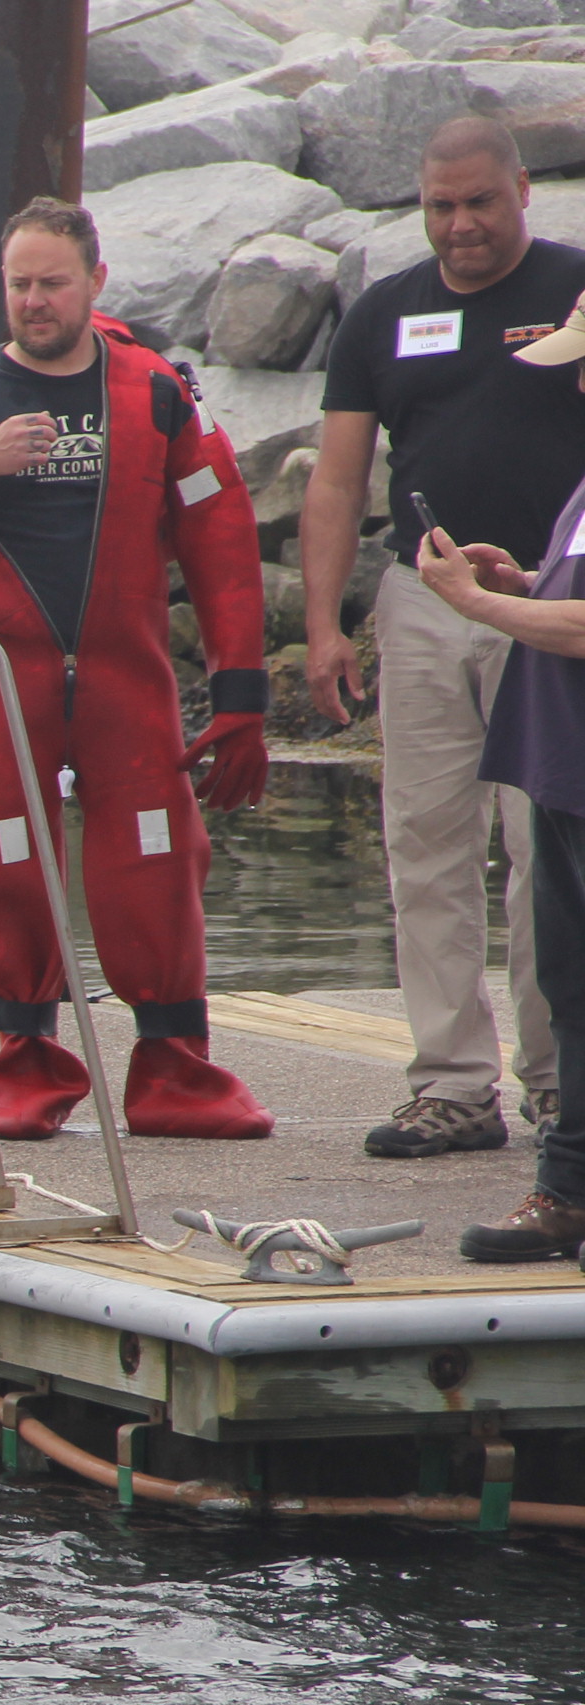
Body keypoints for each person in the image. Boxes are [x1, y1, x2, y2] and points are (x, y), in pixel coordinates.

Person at [0, 196, 276, 1141]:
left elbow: (219, 535)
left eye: (52, 283)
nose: (34, 301)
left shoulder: (158, 392)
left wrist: (241, 698)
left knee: (155, 862)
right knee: (0, 860)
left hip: (122, 680)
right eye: (18, 284)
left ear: (95, 281)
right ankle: (24, 1062)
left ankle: (175, 1071)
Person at [307, 116, 585, 1160]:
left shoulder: (575, 293)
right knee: (424, 843)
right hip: (423, 597)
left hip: (548, 599)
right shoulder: (384, 313)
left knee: (543, 849)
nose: (461, 225)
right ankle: (453, 1086)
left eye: (480, 202)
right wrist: (324, 625)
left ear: (524, 190)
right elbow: (338, 481)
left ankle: (559, 1084)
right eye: (440, 207)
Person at [400, 290, 585, 1261]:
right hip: (561, 770)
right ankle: (569, 1189)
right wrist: (521, 583)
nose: (579, 384)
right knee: (570, 983)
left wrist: (478, 607)